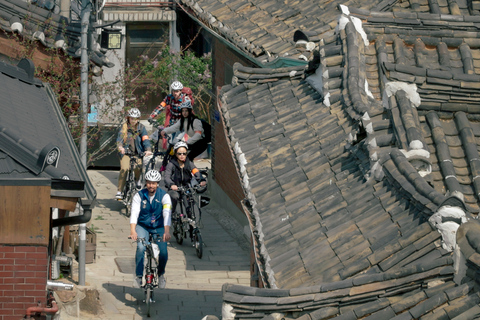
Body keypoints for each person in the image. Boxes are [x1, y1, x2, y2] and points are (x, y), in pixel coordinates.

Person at [129, 170, 172, 289]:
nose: (151, 186)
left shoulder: (164, 196)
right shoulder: (139, 195)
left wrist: (167, 232)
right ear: (146, 183)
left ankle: (161, 273)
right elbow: (134, 213)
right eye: (149, 183)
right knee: (141, 247)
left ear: (157, 183)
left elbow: (167, 213)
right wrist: (133, 231)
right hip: (143, 226)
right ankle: (138, 276)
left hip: (159, 227)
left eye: (154, 183)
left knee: (163, 252)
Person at [116, 108, 152, 200]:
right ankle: (119, 191)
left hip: (137, 154)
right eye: (132, 118)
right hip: (126, 153)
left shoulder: (142, 128)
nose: (133, 120)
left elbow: (146, 140)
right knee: (124, 169)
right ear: (128, 118)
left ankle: (137, 180)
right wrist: (120, 147)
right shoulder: (124, 127)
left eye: (135, 118)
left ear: (138, 119)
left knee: (138, 167)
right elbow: (119, 139)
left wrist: (147, 149)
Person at [164, 141, 207, 217]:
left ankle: (192, 223)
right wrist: (171, 185)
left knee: (190, 203)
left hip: (186, 187)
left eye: (184, 153)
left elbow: (196, 171)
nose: (182, 155)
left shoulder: (189, 163)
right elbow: (167, 177)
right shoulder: (171, 164)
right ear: (175, 153)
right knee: (174, 197)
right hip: (175, 188)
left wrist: (201, 179)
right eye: (179, 153)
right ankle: (172, 214)